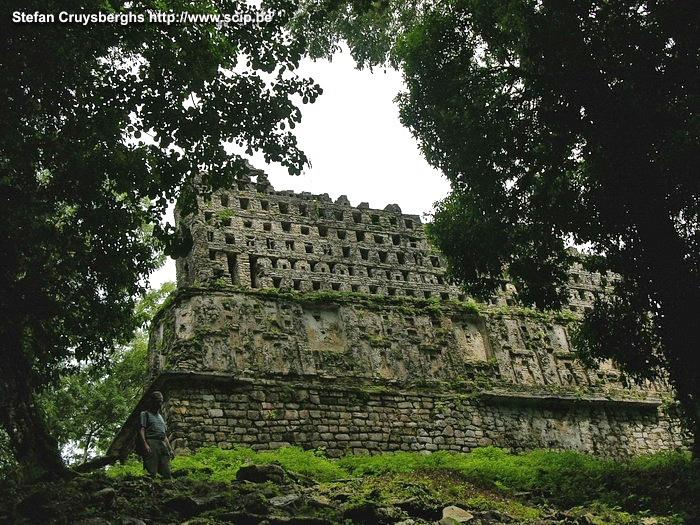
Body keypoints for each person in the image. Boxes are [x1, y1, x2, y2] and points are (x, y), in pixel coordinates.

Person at [139, 391, 174, 479]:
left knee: (166, 471)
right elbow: (141, 430)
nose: (160, 403)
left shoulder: (161, 417)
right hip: (151, 442)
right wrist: (145, 444)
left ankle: (166, 489)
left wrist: (170, 449)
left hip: (162, 443)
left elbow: (164, 434)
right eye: (158, 401)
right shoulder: (145, 414)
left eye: (161, 401)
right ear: (152, 402)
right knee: (151, 470)